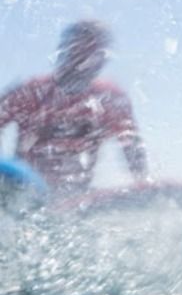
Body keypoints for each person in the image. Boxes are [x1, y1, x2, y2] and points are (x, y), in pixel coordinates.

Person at [0, 20, 149, 193]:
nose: (85, 60)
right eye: (78, 50)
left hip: (76, 198)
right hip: (23, 189)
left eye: (94, 53)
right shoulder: (30, 92)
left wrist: (143, 184)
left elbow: (131, 145)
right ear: (63, 51)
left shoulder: (109, 99)